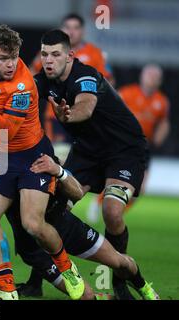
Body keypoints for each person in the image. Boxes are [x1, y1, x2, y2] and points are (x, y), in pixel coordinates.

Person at [0, 25, 84, 300]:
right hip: (3, 156)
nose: (11, 64)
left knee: (32, 224)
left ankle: (66, 267)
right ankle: (6, 290)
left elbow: (7, 130)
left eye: (14, 56)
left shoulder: (23, 84)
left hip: (33, 155)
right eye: (4, 58)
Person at [33, 29, 149, 300]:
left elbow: (86, 105)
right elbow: (18, 91)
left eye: (56, 54)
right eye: (45, 54)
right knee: (50, 208)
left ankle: (119, 280)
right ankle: (36, 281)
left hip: (124, 151)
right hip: (87, 152)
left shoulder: (85, 76)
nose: (49, 60)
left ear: (70, 55)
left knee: (111, 211)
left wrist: (70, 115)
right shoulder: (43, 79)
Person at [0, 154, 160, 300]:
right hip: (35, 249)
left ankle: (143, 287)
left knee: (120, 262)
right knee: (86, 297)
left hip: (69, 231)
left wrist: (59, 171)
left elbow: (76, 194)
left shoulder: (42, 160)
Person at [87, 64, 170, 222]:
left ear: (160, 81)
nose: (152, 79)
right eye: (150, 75)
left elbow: (163, 122)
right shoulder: (127, 93)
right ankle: (98, 203)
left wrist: (162, 132)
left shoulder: (162, 101)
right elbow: (110, 112)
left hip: (144, 147)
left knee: (140, 189)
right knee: (116, 180)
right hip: (123, 144)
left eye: (155, 77)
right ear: (142, 77)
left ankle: (115, 214)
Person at [30, 13, 114, 164]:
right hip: (56, 116)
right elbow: (32, 75)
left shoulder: (95, 54)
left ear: (83, 31)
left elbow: (108, 82)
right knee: (56, 158)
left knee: (82, 161)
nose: (71, 32)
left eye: (76, 28)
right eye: (68, 27)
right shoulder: (48, 52)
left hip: (86, 118)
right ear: (62, 29)